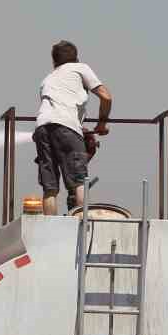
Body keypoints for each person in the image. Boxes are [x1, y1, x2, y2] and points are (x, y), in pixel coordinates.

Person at [32, 40, 112, 215]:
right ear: (76, 58)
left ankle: (50, 227)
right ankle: (81, 226)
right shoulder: (80, 68)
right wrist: (102, 124)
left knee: (50, 187)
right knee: (79, 182)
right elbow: (106, 97)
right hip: (66, 127)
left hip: (42, 128)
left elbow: (57, 109)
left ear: (54, 62)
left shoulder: (47, 79)